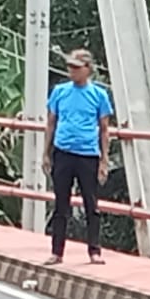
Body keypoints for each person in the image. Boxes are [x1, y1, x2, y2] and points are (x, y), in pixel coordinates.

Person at [42, 48, 114, 265]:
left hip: (87, 154)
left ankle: (94, 250)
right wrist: (46, 154)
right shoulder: (60, 92)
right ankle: (57, 251)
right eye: (70, 68)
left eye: (76, 68)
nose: (71, 72)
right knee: (60, 204)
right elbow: (51, 123)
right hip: (63, 152)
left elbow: (104, 129)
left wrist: (103, 160)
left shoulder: (99, 95)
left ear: (88, 70)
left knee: (91, 205)